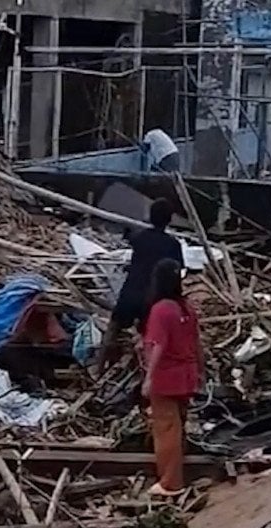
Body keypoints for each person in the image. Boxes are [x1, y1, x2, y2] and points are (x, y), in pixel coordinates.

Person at [92, 199, 183, 375]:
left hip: (131, 290)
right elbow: (176, 273)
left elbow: (132, 244)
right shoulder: (173, 245)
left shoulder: (140, 238)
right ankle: (147, 374)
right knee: (149, 336)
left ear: (150, 216)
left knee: (113, 328)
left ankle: (98, 368)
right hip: (153, 297)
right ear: (170, 219)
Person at [140, 258, 204, 496]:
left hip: (166, 377)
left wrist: (149, 378)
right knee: (178, 427)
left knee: (166, 429)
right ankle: (178, 473)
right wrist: (201, 371)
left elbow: (158, 345)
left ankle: (170, 482)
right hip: (186, 375)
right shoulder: (185, 308)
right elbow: (197, 343)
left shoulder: (160, 310)